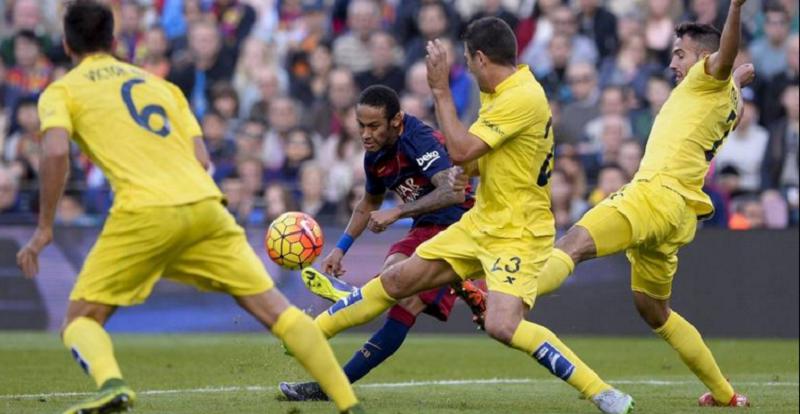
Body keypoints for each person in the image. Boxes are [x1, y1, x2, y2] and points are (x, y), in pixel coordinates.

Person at [13, 2, 363, 413]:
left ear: (66, 44)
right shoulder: (162, 86)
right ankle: (349, 404)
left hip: (143, 211)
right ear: (113, 40)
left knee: (80, 319)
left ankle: (112, 384)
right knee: (277, 312)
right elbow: (201, 159)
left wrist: (44, 227)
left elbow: (55, 151)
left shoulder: (62, 91)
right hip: (205, 207)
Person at [307, 18, 635, 414]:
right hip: (481, 220)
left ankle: (602, 392)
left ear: (480, 58)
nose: (464, 65)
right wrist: (463, 170)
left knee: (502, 325)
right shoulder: (499, 94)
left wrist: (440, 90)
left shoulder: (522, 96)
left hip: (517, 231)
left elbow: (461, 150)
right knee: (396, 279)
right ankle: (307, 334)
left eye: (466, 58)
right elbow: (474, 160)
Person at [535, 1, 753, 408]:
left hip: (654, 194)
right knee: (653, 310)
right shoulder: (727, 101)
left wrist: (735, 9)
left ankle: (509, 297)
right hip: (679, 216)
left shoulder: (704, 79)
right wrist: (738, 79)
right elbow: (730, 89)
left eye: (680, 54)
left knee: (573, 244)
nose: (672, 63)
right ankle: (725, 394)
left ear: (703, 60)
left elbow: (725, 58)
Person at [279, 85, 486, 401]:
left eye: (374, 126)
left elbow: (453, 191)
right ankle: (362, 304)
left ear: (396, 120)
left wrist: (397, 211)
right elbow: (368, 203)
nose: (366, 134)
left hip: (459, 225)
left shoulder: (419, 139)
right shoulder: (374, 155)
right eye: (361, 125)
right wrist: (340, 248)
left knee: (403, 297)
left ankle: (338, 361)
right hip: (426, 226)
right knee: (396, 285)